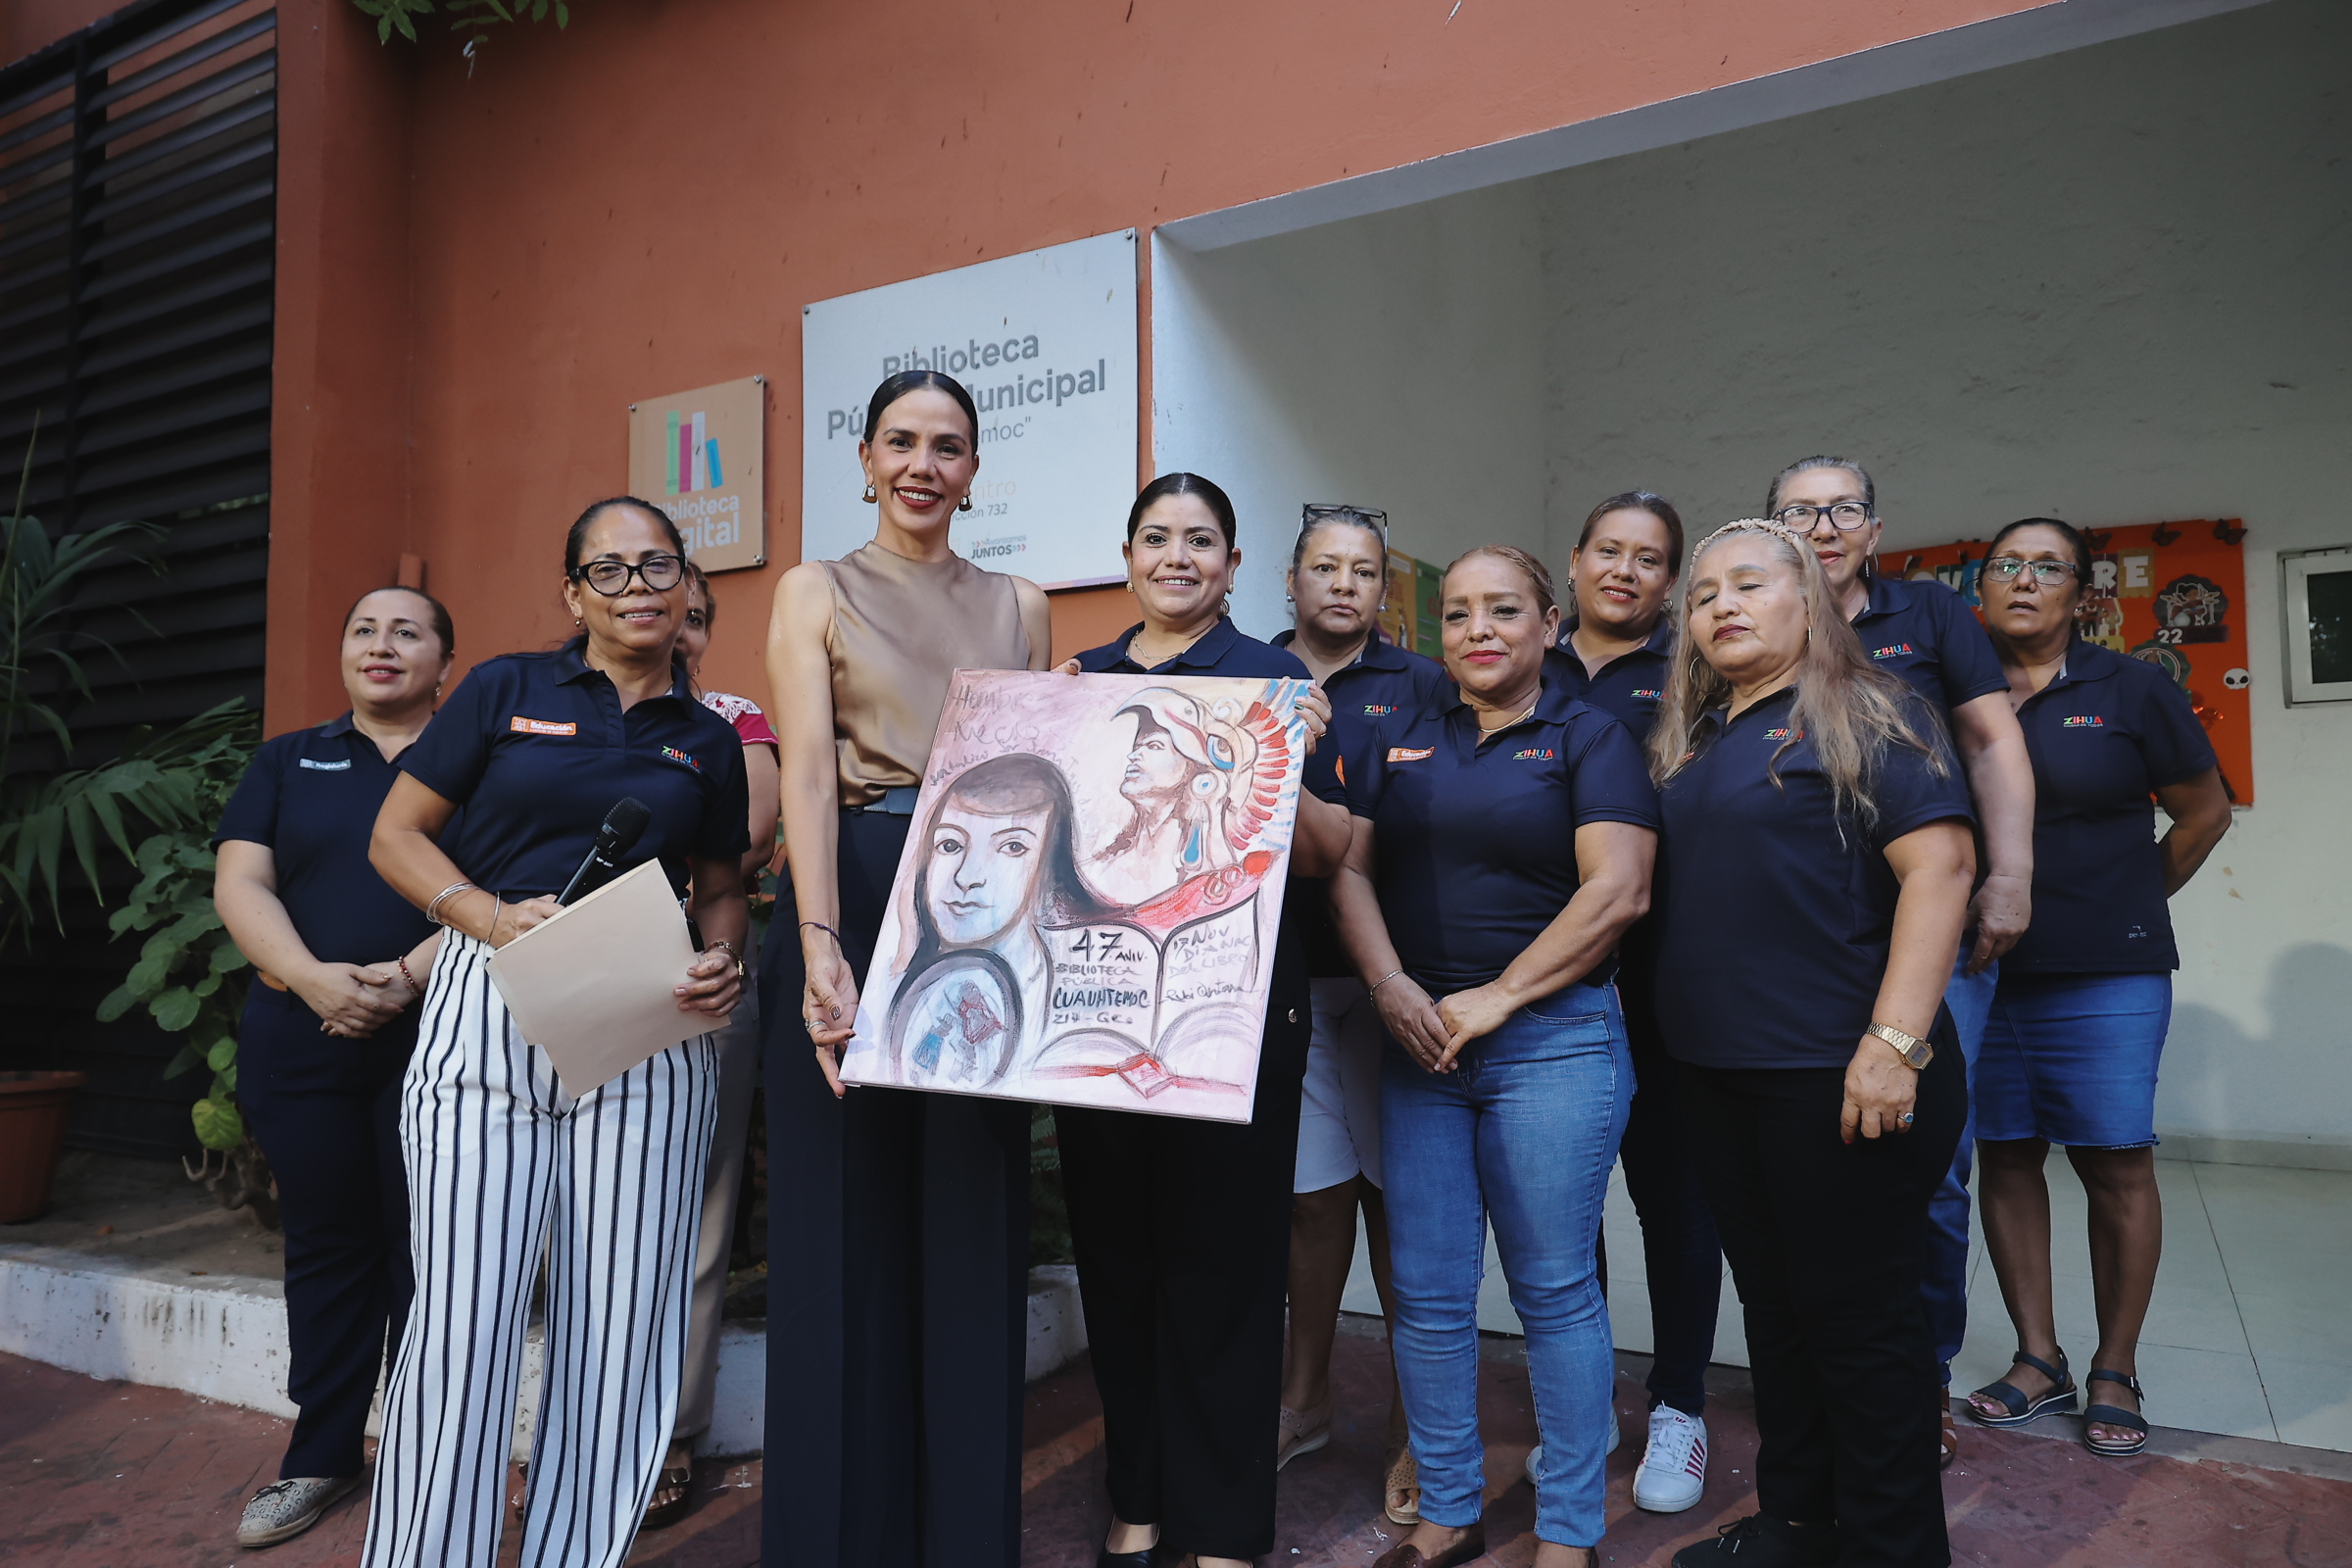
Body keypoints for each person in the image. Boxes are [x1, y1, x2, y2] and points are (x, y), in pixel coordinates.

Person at [363, 499, 751, 1568]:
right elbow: (396, 837)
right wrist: (487, 916)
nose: (637, 588)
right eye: (608, 571)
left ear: (686, 583)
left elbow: (721, 887)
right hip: (491, 995)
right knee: (464, 1314)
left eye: (658, 566)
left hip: (647, 1020)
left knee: (622, 1323)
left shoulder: (709, 739)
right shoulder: (505, 689)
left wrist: (723, 956)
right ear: (574, 595)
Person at [760, 370, 1055, 1568]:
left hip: (981, 911)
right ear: (867, 460)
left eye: (948, 446)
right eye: (901, 442)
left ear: (974, 469)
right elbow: (805, 772)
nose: (924, 465)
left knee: (972, 1222)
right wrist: (819, 941)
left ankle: (966, 1540)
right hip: (853, 886)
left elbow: (1035, 770)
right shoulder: (814, 588)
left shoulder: (1023, 604)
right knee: (839, 1231)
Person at [1648, 519, 1975, 1568]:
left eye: (1749, 584)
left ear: (1811, 601)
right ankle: (1797, 1523)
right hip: (1722, 1074)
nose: (1722, 606)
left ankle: (1892, 1550)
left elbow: (1942, 871)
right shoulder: (1701, 737)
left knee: (1860, 1325)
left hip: (1840, 1073)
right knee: (1780, 1313)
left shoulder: (1868, 707)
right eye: (1704, 595)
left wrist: (1894, 1042)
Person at [1330, 544, 1658, 1568]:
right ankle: (1449, 1509)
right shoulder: (1402, 733)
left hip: (1551, 1045)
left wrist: (1501, 995)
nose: (1479, 629)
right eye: (1461, 612)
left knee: (1553, 1290)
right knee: (1428, 1296)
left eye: (1505, 610)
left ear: (1549, 625)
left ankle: (1569, 1528)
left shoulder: (1589, 735)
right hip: (1423, 1048)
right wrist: (1389, 984)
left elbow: (1619, 890)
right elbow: (1347, 870)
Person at [1057, 471, 1352, 1568]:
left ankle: (1223, 1525)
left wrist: (1294, 757)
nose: (1176, 557)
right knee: (1116, 1257)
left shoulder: (1274, 678)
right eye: (1156, 537)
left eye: (1200, 541)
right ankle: (1138, 1494)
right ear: (1127, 557)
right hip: (1093, 1004)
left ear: (1230, 566)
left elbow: (1325, 854)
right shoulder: (1079, 681)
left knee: (1225, 1263)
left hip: (1235, 1008)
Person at [1765, 457, 2035, 1465]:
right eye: (1799, 511)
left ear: (1874, 531)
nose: (1823, 526)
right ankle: (1817, 1371)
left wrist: (2010, 873)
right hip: (1798, 938)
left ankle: (1918, 1378)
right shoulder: (1753, 618)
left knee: (1925, 1164)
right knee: (1796, 1153)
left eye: (1844, 509)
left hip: (1927, 923)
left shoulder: (1927, 615)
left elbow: (1992, 741)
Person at [1959, 518, 2230, 1458]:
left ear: (2083, 594)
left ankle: (2116, 1367)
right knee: (2005, 1154)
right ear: (1980, 589)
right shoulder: (1955, 694)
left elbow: (2203, 813)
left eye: (2048, 568)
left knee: (2116, 1161)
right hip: (1980, 971)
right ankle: (2040, 1358)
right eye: (2006, 566)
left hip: (2107, 972)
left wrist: (2127, 900)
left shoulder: (2133, 687)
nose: (2024, 581)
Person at [213, 587, 456, 1550]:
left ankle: (431, 1453)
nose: (381, 645)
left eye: (407, 631)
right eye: (364, 629)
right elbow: (242, 881)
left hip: (438, 1035)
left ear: (445, 662)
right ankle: (321, 1454)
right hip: (299, 1033)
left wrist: (403, 978)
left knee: (431, 1248)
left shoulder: (474, 761)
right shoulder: (287, 759)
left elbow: (499, 888)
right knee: (325, 1242)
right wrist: (314, 979)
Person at [1267, 503, 1453, 1526]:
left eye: (1364, 571)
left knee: (1397, 1202)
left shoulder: (1423, 683)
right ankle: (1303, 1401)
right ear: (1290, 578)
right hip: (1280, 978)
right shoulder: (1250, 672)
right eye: (1325, 567)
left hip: (1395, 974)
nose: (1344, 584)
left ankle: (1411, 1423)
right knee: (1311, 1201)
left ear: (1386, 590)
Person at [1542, 491, 1720, 1514]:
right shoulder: (1526, 658)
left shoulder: (1695, 670)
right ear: (1573, 561)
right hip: (1553, 970)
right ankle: (1587, 1401)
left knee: (1673, 1196)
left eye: (1649, 558)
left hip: (1667, 971)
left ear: (1672, 581)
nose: (1624, 570)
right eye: (1607, 550)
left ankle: (1681, 1405)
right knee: (1565, 1204)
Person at [641, 562, 783, 1530]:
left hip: (705, 967)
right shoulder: (571, 716)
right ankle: (588, 1419)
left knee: (699, 1206)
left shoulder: (735, 722)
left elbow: (752, 841)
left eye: (695, 618)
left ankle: (674, 1432)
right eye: (664, 611)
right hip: (580, 970)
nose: (678, 630)